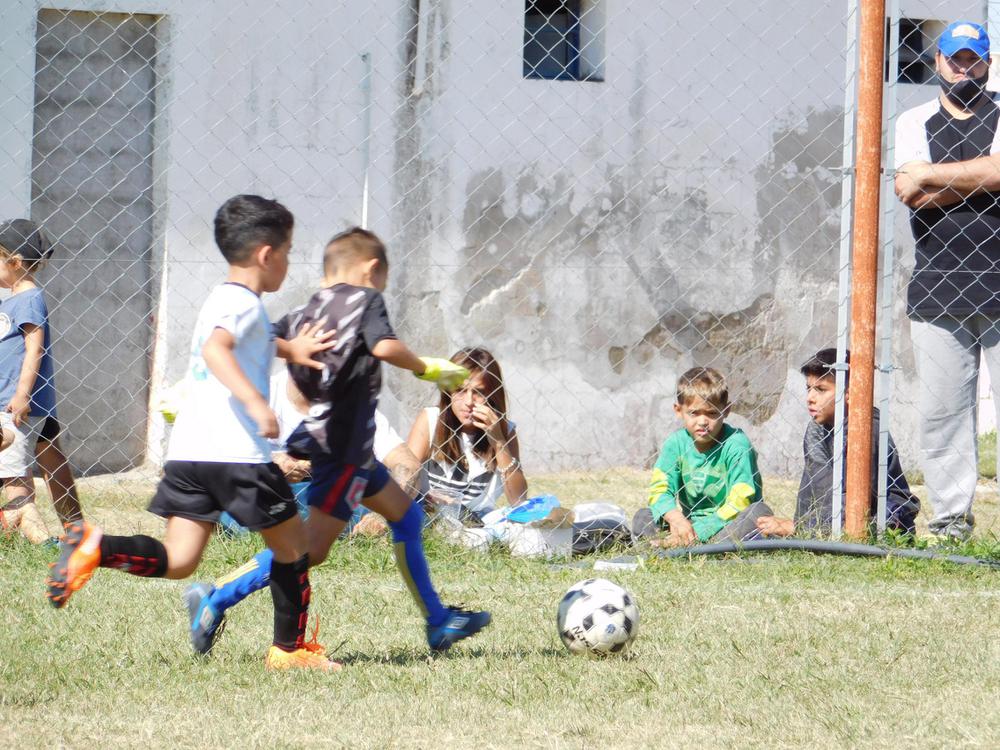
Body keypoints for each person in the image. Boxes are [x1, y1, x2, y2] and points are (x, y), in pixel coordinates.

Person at [44, 194, 339, 672]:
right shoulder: (242, 305)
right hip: (237, 457)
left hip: (190, 455)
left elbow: (253, 338)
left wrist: (294, 347)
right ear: (266, 254)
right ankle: (289, 651)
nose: (288, 260)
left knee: (180, 559)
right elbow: (217, 350)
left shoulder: (228, 300)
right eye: (287, 250)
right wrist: (255, 401)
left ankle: (94, 547)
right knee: (295, 549)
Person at [183, 227, 490, 657]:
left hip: (351, 447)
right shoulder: (365, 299)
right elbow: (383, 346)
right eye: (382, 278)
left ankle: (439, 622)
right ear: (371, 269)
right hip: (342, 448)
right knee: (309, 549)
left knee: (406, 520)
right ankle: (215, 598)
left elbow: (259, 338)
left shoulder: (310, 309)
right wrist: (425, 368)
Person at [893, 20, 1000, 541]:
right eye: (954, 59)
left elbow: (924, 181)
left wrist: (933, 174)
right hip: (938, 287)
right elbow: (909, 193)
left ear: (987, 61)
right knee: (943, 415)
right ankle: (952, 522)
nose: (963, 68)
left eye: (972, 59)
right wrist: (981, 175)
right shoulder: (913, 119)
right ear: (937, 62)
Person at [755, 349, 920, 538]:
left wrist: (798, 529)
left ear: (849, 393)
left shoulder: (867, 430)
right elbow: (818, 486)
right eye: (808, 388)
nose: (810, 397)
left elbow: (854, 500)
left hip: (882, 526)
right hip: (827, 523)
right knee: (754, 516)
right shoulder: (819, 428)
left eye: (821, 389)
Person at [632, 367, 771, 547]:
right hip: (686, 524)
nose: (703, 421)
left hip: (726, 524)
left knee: (757, 513)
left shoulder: (737, 444)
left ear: (726, 410)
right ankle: (689, 543)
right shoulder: (675, 444)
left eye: (712, 413)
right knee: (644, 516)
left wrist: (701, 530)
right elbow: (660, 490)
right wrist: (676, 520)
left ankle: (676, 544)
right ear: (678, 410)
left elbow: (741, 500)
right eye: (694, 413)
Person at [407, 346, 527, 522]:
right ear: (448, 392)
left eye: (479, 392)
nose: (469, 402)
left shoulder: (505, 431)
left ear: (493, 394)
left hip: (477, 522)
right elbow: (407, 472)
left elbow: (519, 500)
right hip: (429, 515)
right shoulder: (431, 420)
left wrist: (498, 442)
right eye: (460, 391)